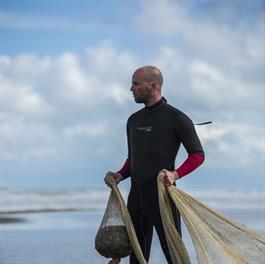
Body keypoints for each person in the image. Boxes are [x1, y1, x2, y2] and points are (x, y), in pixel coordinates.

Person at [108, 66, 204, 263]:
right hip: (136, 198)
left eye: (135, 83)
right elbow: (133, 157)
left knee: (173, 256)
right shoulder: (133, 120)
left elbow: (197, 155)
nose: (131, 88)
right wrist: (120, 174)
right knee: (137, 256)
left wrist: (175, 174)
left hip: (163, 198)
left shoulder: (177, 118)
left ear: (153, 86)